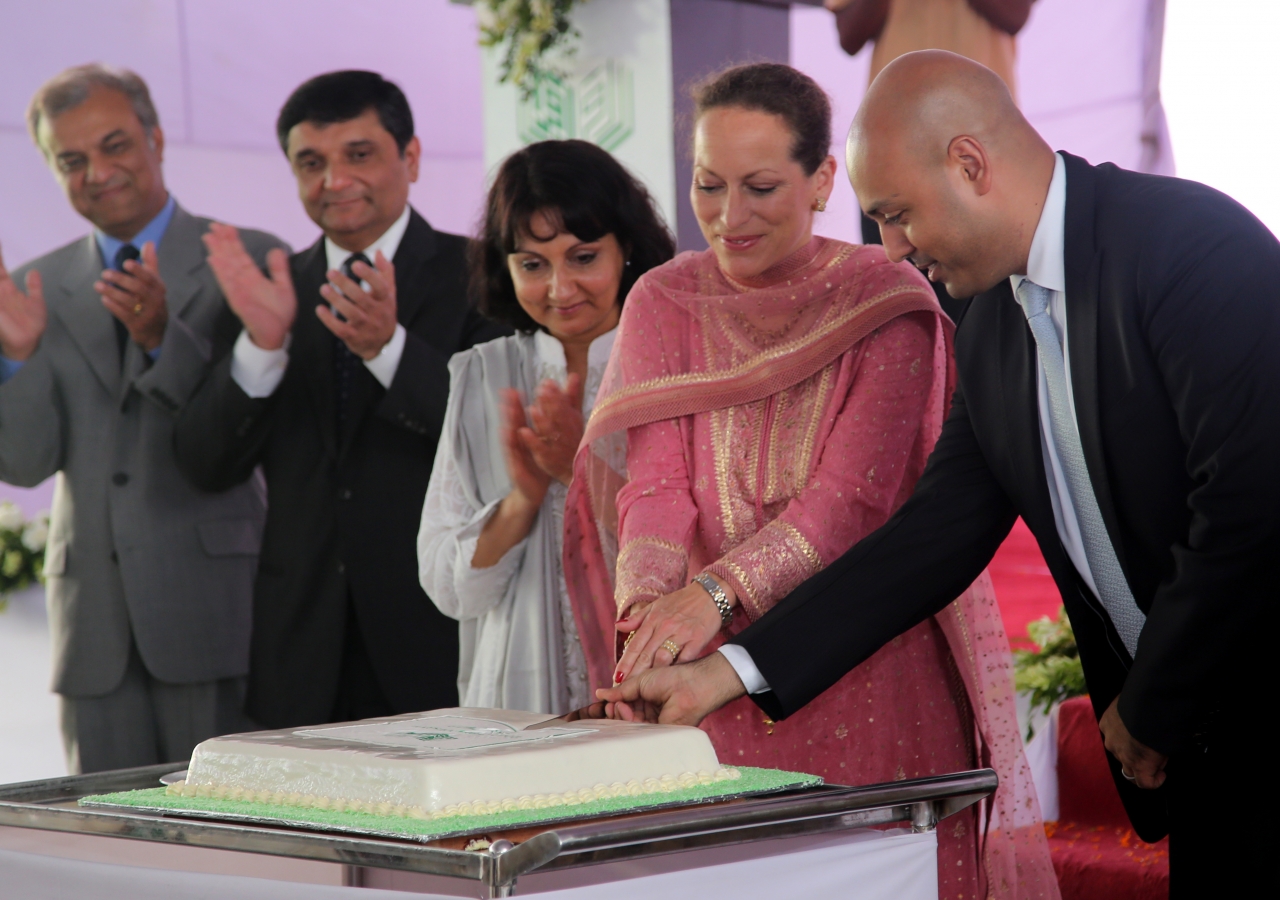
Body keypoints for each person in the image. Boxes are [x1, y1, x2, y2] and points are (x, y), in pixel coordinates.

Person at [600, 50, 1280, 894]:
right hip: (1202, 746)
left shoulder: (1191, 244)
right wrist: (721, 674)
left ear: (969, 164)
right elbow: (931, 539)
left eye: (895, 214)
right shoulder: (989, 320)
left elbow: (1252, 508)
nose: (889, 250)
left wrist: (1151, 706)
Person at [568, 63, 1057, 900]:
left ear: (825, 179)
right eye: (708, 185)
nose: (729, 216)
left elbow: (849, 503)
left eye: (760, 187)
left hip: (856, 659)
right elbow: (653, 489)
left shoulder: (886, 299)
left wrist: (713, 599)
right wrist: (646, 625)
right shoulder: (661, 299)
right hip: (700, 682)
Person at [174, 71, 509, 729]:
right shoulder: (268, 291)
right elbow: (204, 463)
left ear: (409, 158)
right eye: (311, 163)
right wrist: (262, 349)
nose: (335, 179)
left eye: (359, 155)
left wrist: (388, 348)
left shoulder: (482, 277)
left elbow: (494, 442)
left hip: (434, 636)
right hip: (298, 647)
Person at [0, 64, 287, 772]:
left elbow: (252, 435)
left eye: (115, 145)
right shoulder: (30, 288)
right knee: (107, 846)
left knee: (235, 849)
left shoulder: (245, 260)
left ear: (156, 139)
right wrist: (19, 359)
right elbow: (27, 463)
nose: (97, 172)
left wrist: (164, 337)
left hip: (217, 611)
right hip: (93, 627)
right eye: (71, 160)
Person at [417, 140, 674, 714]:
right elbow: (446, 585)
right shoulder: (482, 375)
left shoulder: (671, 364)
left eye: (583, 257)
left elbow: (700, 554)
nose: (560, 289)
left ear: (626, 247)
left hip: (650, 683)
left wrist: (576, 471)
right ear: (504, 268)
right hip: (513, 694)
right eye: (533, 265)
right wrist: (521, 503)